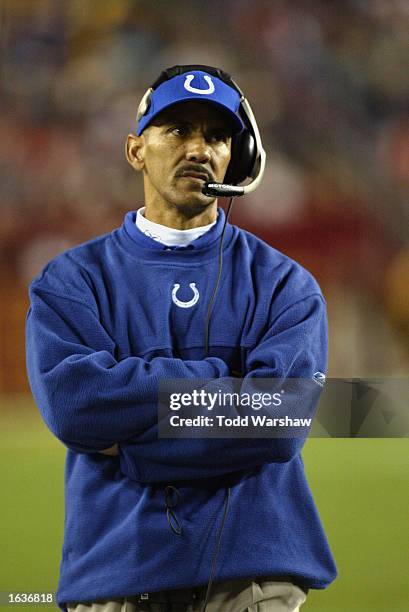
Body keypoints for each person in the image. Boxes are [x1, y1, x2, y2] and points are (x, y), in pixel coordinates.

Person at [26, 65, 337, 612]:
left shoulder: (287, 284)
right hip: (116, 574)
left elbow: (280, 423)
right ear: (135, 150)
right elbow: (75, 407)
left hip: (253, 578)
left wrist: (135, 441)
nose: (198, 148)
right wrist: (228, 385)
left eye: (216, 136)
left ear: (234, 158)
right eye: (177, 130)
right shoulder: (69, 281)